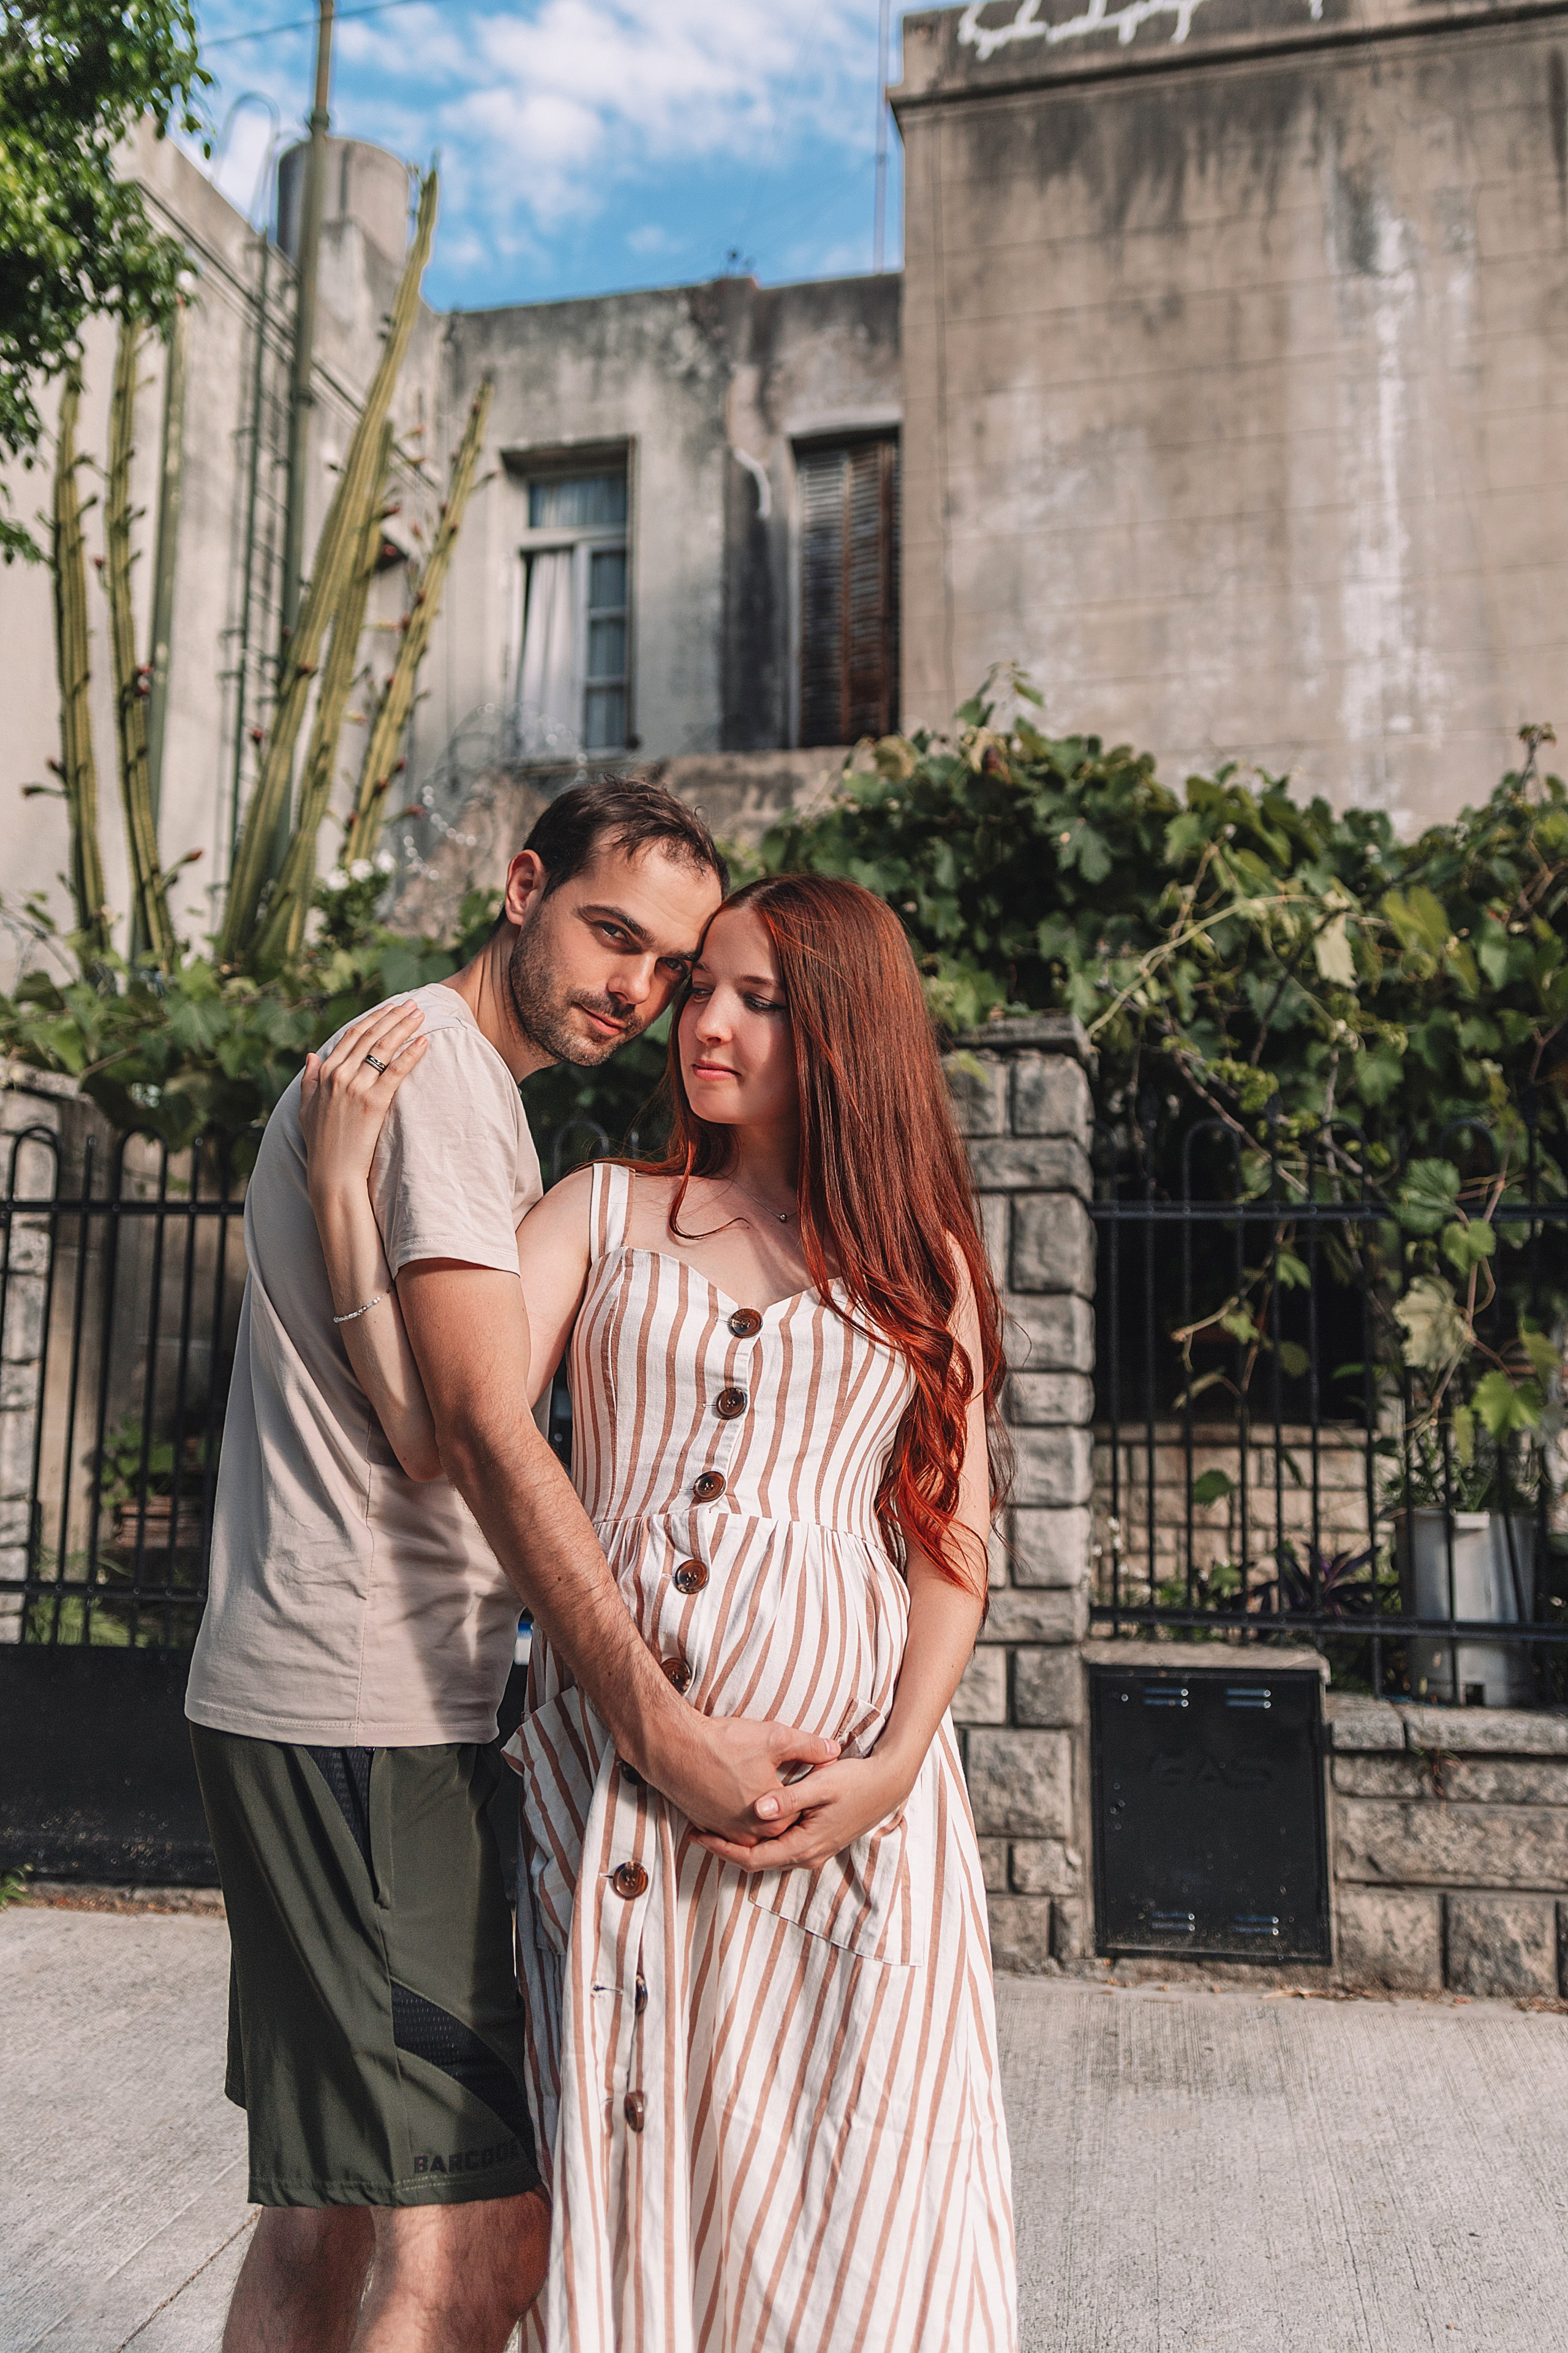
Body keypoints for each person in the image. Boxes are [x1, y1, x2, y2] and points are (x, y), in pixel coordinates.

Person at [301, 872, 1019, 2352]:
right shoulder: (603, 1210)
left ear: (845, 1033)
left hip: (841, 1816)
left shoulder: (919, 1264)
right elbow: (449, 1422)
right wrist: (338, 1193)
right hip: (611, 1785)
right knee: (624, 2158)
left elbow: (952, 1540)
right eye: (703, 987)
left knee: (840, 2207)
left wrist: (893, 1763)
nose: (706, 1021)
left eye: (761, 999)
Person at [185, 782, 840, 2353]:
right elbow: (474, 1433)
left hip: (320, 1691)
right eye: (612, 934)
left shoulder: (435, 1075)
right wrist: (661, 1730)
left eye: (669, 965)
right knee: (475, 2244)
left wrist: (337, 1204)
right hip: (368, 1701)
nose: (637, 989)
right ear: (520, 885)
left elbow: (429, 1421)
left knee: (329, 2213)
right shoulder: (442, 1084)